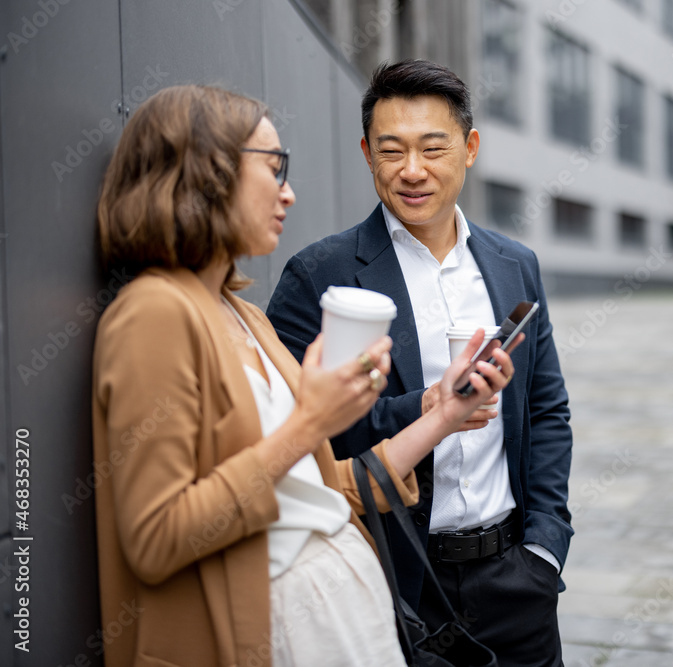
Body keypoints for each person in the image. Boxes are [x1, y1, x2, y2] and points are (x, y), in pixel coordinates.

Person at [91, 84, 515, 667]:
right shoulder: (154, 312)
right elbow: (157, 537)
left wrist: (444, 412)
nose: (288, 193)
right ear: (204, 174)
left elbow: (328, 486)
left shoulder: (242, 314)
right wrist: (311, 420)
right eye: (274, 167)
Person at [266, 59, 573, 666]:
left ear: (470, 148)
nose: (412, 171)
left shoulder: (514, 265)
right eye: (391, 151)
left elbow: (547, 408)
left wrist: (545, 547)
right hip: (395, 580)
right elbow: (294, 438)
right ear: (365, 153)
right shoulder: (318, 277)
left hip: (516, 581)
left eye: (433, 148)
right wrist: (430, 407)